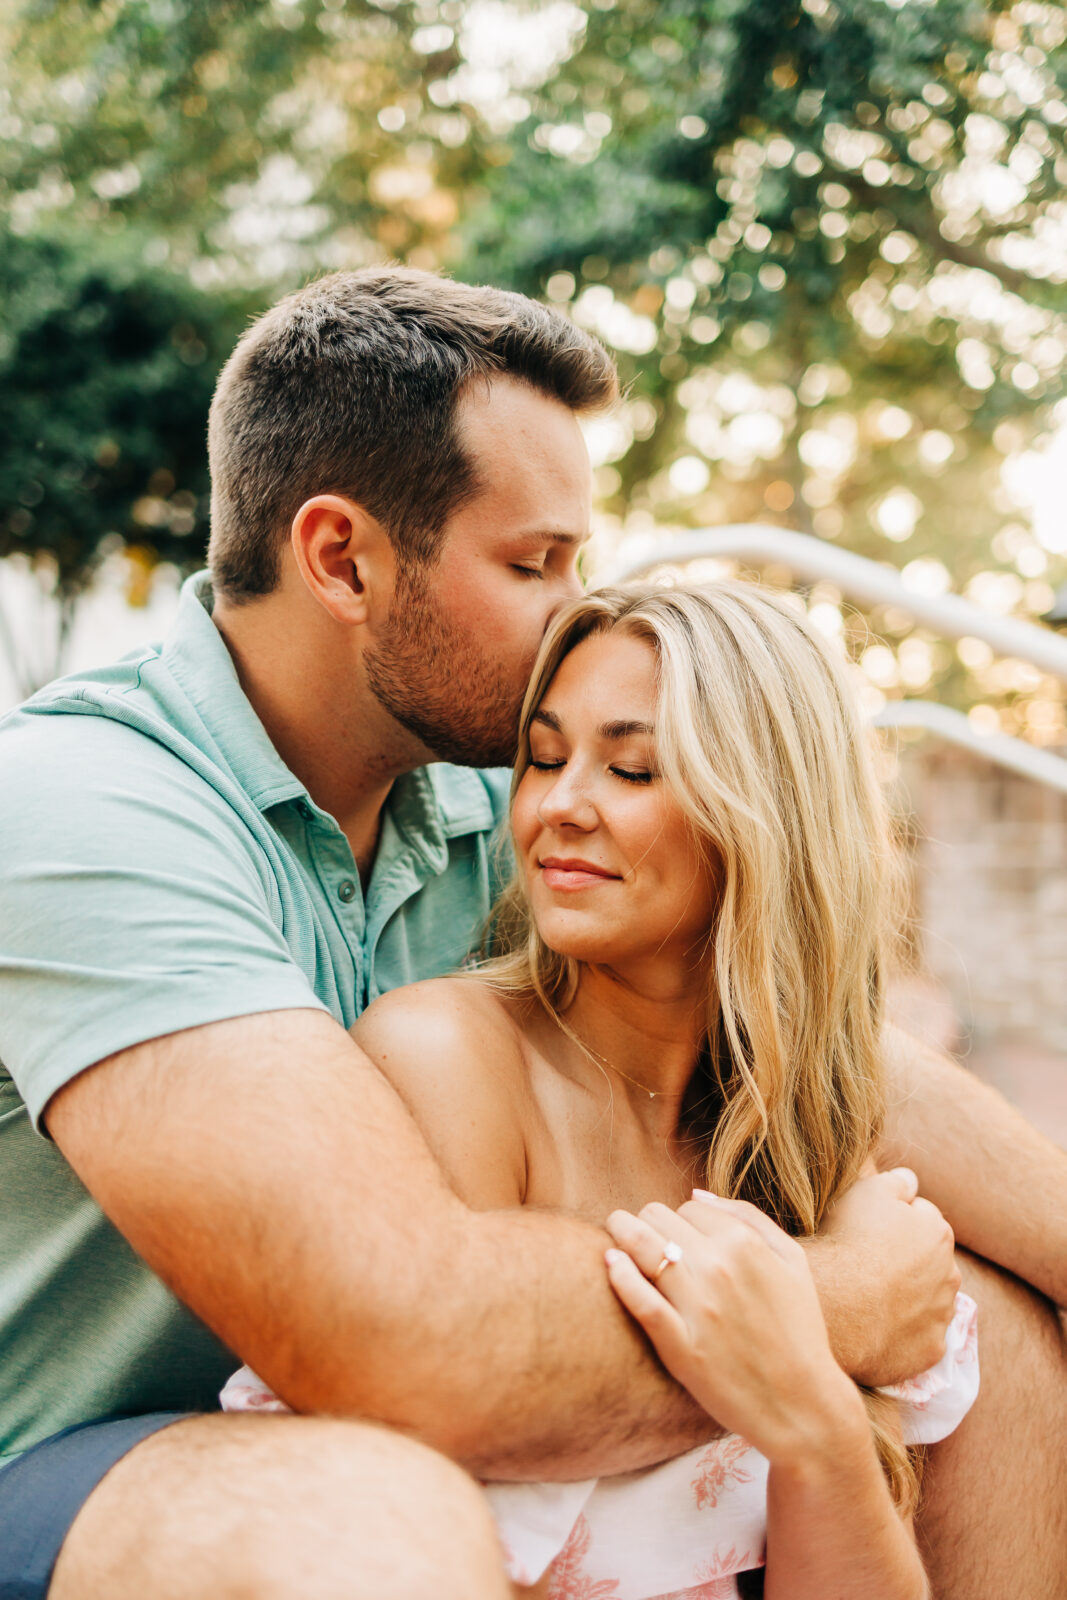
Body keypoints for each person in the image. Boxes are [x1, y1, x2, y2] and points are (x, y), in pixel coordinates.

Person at [0, 267, 1063, 1600]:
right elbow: (406, 1350)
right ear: (342, 559)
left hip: (360, 1412)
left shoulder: (494, 787)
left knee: (999, 1337)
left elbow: (762, 1005)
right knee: (361, 1514)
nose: (573, 608)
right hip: (68, 1464)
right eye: (534, 562)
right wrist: (834, 1308)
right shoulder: (83, 809)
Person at [222, 581, 982, 1599]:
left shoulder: (803, 1137)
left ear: (765, 815)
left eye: (628, 767)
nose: (557, 805)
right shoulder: (445, 1055)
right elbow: (423, 1533)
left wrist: (813, 1429)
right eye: (541, 757)